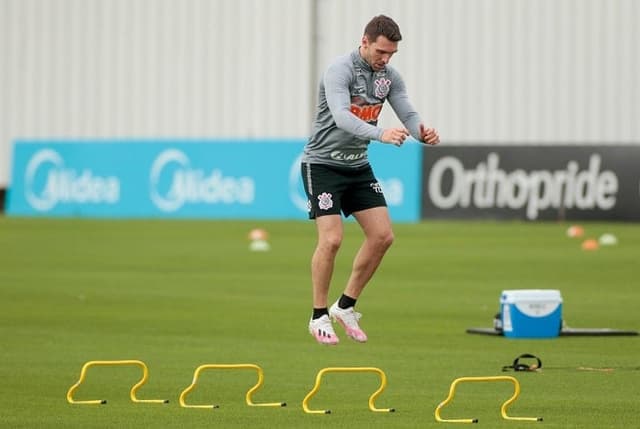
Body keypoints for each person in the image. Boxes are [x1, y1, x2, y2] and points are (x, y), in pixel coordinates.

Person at [301, 15, 440, 345]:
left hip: (357, 167)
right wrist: (381, 134)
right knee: (332, 239)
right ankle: (318, 315)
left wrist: (423, 132)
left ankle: (345, 306)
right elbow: (342, 117)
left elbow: (407, 112)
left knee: (382, 236)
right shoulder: (340, 70)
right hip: (322, 165)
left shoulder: (389, 77)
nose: (386, 59)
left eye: (391, 54)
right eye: (381, 52)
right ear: (364, 41)